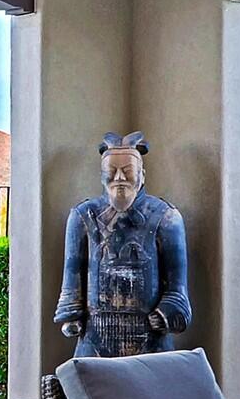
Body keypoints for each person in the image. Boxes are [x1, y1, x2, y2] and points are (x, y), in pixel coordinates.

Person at [56, 132, 191, 357]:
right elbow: (72, 276)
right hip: (95, 335)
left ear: (142, 175)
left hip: (149, 336)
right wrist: (72, 314)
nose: (119, 178)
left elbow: (177, 286)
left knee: (151, 380)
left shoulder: (166, 216)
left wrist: (167, 313)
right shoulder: (83, 215)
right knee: (88, 379)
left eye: (127, 171)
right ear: (102, 176)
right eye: (111, 171)